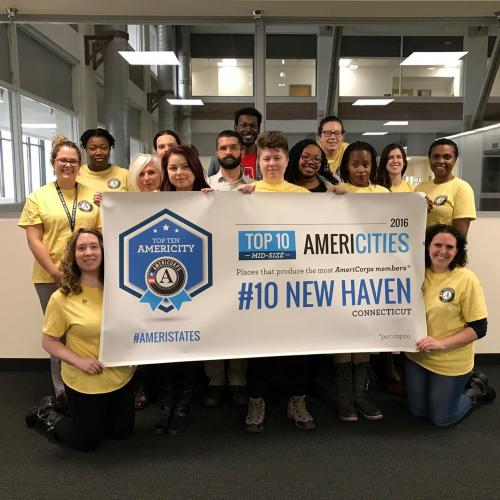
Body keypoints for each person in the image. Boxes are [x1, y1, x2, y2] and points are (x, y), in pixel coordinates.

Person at [25, 228, 136, 451]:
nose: (88, 253)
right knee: (87, 442)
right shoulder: (63, 296)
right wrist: (79, 361)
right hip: (85, 378)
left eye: (94, 246)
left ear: (103, 251)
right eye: (81, 248)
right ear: (73, 255)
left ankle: (70, 406)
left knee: (121, 433)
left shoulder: (122, 289)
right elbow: (49, 342)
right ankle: (46, 413)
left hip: (120, 376)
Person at [238, 131, 315, 433]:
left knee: (298, 349)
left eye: (277, 158)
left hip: (296, 286)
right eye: (266, 158)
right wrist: (218, 201)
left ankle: (297, 400)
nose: (271, 163)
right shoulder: (246, 193)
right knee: (259, 350)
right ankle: (256, 401)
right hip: (258, 286)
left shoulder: (302, 196)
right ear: (258, 160)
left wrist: (339, 198)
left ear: (286, 160)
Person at [18, 136, 101, 407]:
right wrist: (57, 273)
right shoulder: (38, 196)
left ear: (80, 165)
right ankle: (63, 393)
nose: (68, 165)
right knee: (58, 335)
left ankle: (93, 385)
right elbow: (34, 240)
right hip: (49, 277)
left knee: (89, 332)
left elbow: (101, 235)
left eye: (73, 161)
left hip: (90, 277)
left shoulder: (92, 195)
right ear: (53, 163)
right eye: (62, 160)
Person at [405, 224, 495, 426]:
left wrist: (440, 344)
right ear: (427, 246)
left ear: (457, 251)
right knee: (417, 412)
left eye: (449, 247)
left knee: (442, 419)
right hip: (417, 356)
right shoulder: (415, 273)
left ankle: (476, 391)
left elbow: (479, 328)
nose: (442, 251)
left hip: (449, 360)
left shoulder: (466, 280)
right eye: (437, 245)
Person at [150, 145, 210, 435]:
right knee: (163, 348)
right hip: (163, 287)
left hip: (199, 286)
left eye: (184, 166)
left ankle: (183, 406)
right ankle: (165, 405)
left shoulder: (209, 197)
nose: (178, 173)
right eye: (172, 168)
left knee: (189, 348)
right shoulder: (153, 201)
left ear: (195, 168)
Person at [334, 141, 389, 422]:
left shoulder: (383, 193)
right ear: (346, 166)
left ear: (373, 166)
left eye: (366, 164)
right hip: (342, 277)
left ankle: (360, 395)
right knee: (344, 338)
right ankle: (344, 398)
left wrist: (418, 206)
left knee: (366, 337)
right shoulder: (337, 193)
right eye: (355, 164)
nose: (360, 169)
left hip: (372, 278)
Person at [204, 130, 252, 407]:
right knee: (213, 323)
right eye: (223, 148)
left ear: (241, 151)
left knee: (239, 325)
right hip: (213, 267)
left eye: (233, 147)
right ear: (217, 152)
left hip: (243, 266)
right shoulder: (205, 185)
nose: (228, 152)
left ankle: (237, 380)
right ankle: (215, 381)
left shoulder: (255, 186)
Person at [127, 153, 163, 410]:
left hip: (169, 278)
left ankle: (162, 390)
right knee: (137, 335)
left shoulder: (177, 201)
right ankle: (138, 386)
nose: (147, 178)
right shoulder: (122, 205)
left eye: (152, 173)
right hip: (135, 281)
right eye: (141, 174)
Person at [415, 138, 475, 237]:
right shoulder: (420, 188)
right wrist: (420, 211)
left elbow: (460, 236)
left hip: (444, 250)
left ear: (455, 160)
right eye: (436, 156)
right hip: (421, 249)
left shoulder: (462, 188)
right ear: (430, 159)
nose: (441, 161)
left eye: (447, 157)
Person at [208, 107, 263, 180]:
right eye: (243, 125)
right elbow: (210, 185)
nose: (248, 129)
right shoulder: (217, 160)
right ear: (235, 128)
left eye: (253, 126)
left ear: (259, 129)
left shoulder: (266, 158)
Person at [78, 128, 128, 194]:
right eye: (93, 148)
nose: (98, 152)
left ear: (110, 149)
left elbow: (137, 202)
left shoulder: (125, 175)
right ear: (86, 149)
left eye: (104, 148)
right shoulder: (77, 174)